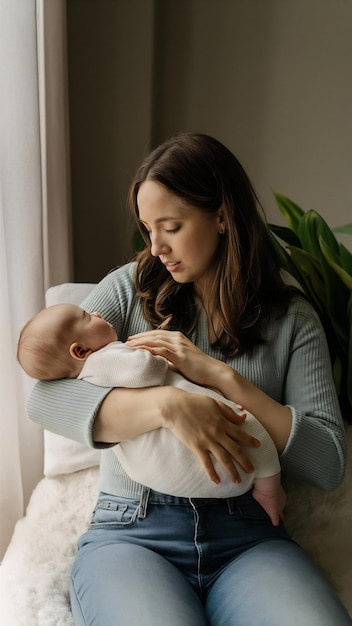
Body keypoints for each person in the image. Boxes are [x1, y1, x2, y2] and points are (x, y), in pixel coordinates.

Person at [27, 133, 351, 625]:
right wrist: (167, 406)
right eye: (147, 229)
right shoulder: (126, 291)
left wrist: (220, 377)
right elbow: (46, 401)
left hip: (248, 538)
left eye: (171, 227)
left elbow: (327, 461)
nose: (156, 248)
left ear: (222, 215)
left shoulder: (293, 319)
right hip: (133, 533)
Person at [17, 302, 286, 525]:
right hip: (154, 500)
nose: (97, 312)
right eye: (88, 316)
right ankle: (269, 488)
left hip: (158, 479)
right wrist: (158, 357)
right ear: (80, 350)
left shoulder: (85, 374)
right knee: (251, 431)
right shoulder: (107, 357)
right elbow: (146, 371)